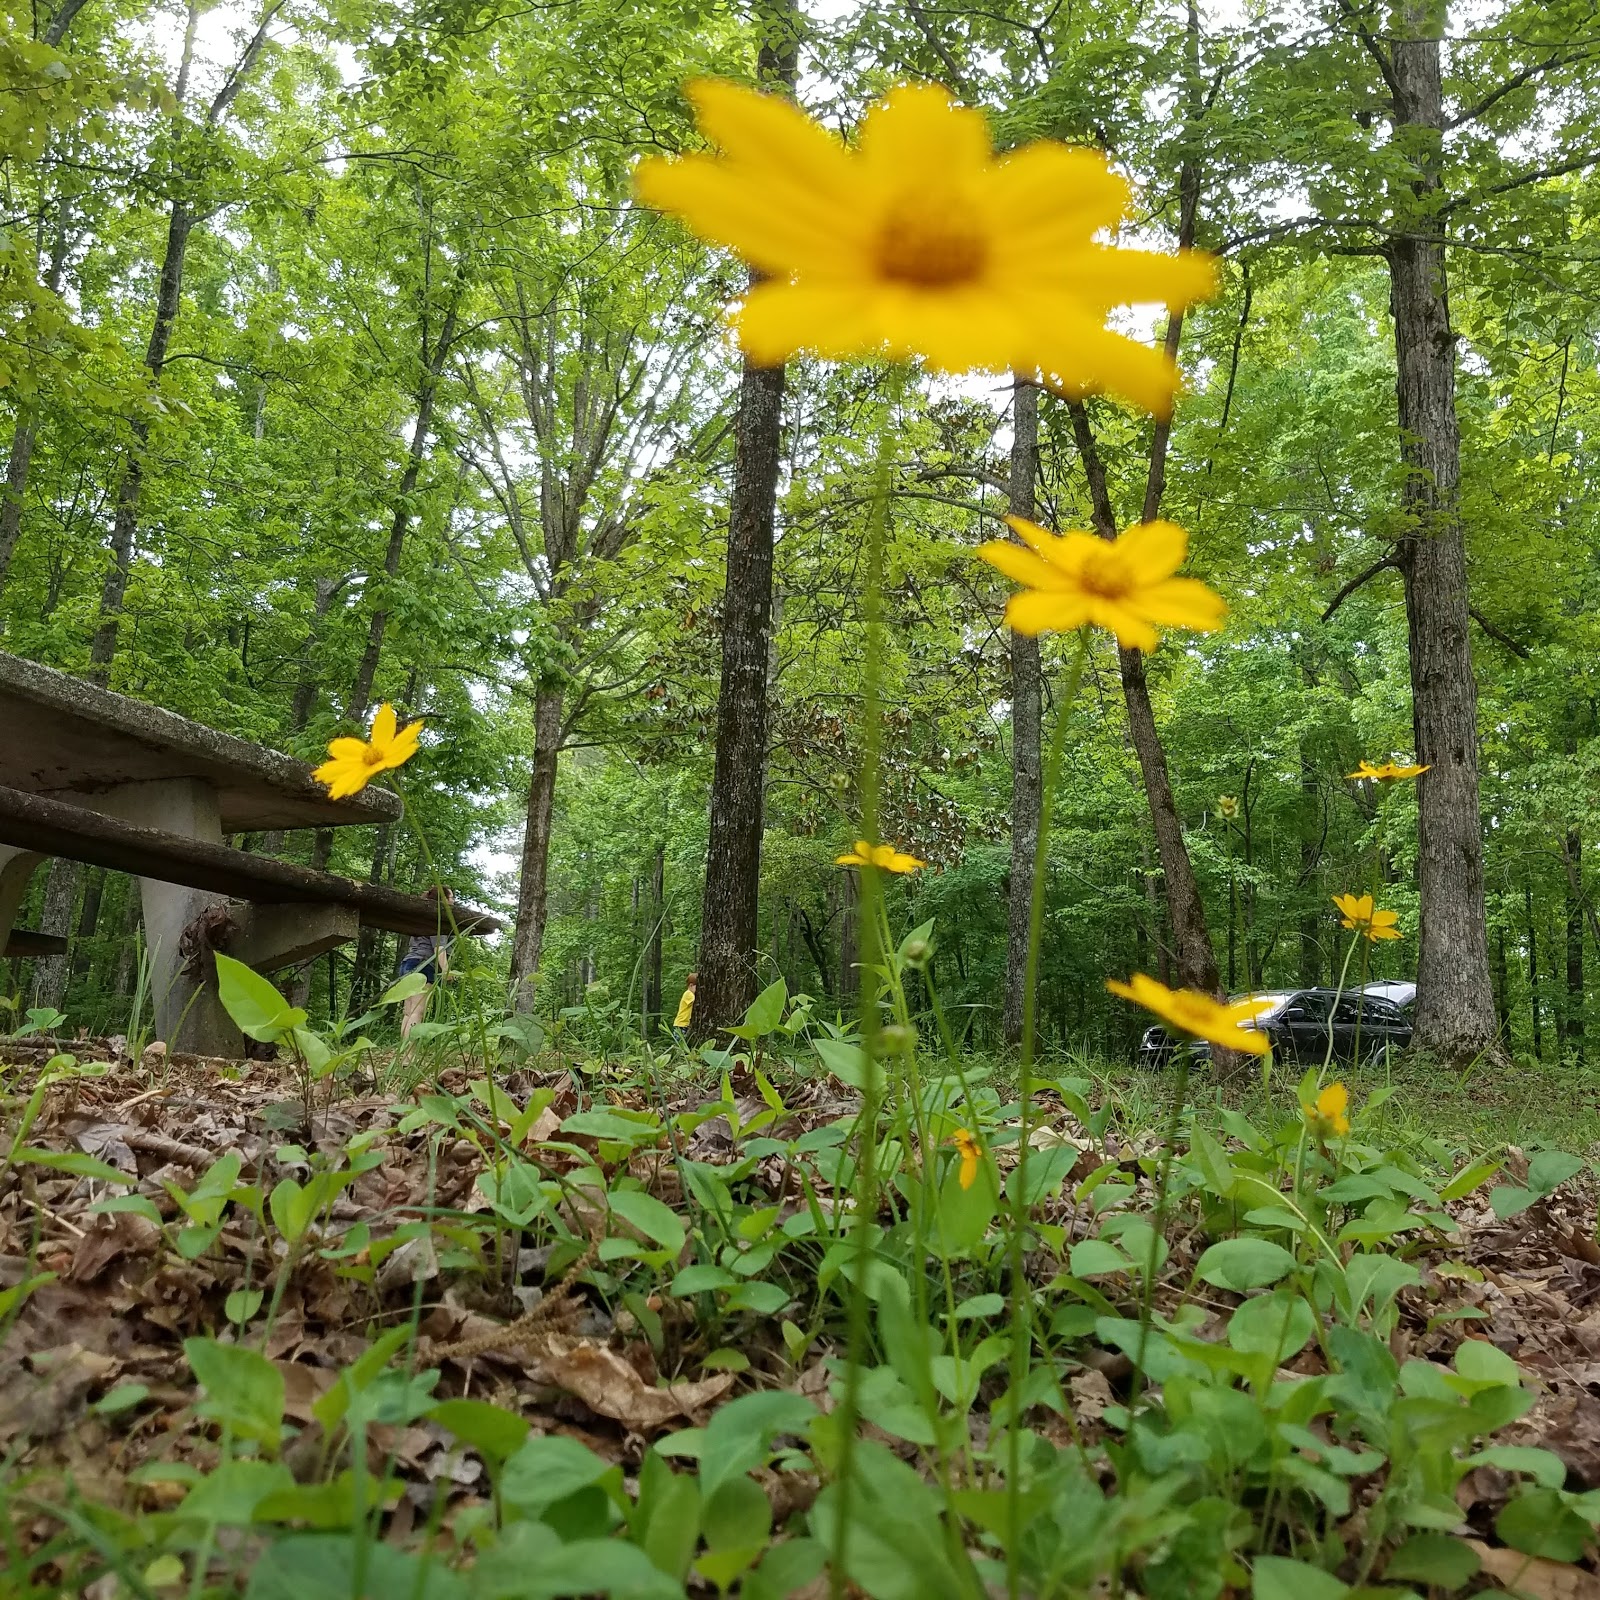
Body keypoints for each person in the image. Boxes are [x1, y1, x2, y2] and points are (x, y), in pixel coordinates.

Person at [400, 886, 454, 1039]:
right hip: (423, 966)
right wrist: (446, 970)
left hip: (408, 963)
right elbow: (439, 947)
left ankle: (403, 1056)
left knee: (408, 1012)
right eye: (451, 898)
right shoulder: (437, 918)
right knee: (418, 1012)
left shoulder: (422, 917)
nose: (454, 901)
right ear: (443, 900)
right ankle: (408, 1058)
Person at [672, 972, 696, 1044]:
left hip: (684, 1025)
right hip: (681, 1025)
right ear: (691, 985)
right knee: (681, 1045)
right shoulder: (688, 994)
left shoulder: (690, 994)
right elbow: (696, 1001)